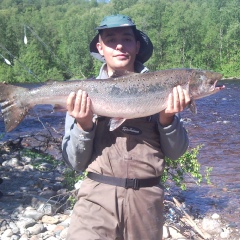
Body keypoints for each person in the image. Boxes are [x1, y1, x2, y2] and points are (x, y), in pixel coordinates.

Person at [62, 14, 190, 240]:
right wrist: (84, 125)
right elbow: (75, 162)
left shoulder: (162, 87)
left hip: (146, 201)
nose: (119, 45)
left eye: (127, 39)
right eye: (111, 39)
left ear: (137, 45)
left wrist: (167, 118)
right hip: (95, 201)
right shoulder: (82, 94)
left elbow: (176, 153)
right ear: (100, 48)